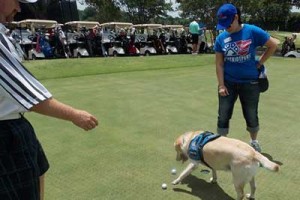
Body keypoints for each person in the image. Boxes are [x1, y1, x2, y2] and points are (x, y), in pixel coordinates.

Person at [0, 0, 99, 200]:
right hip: (5, 132)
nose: (19, 8)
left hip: (15, 123)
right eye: (17, 2)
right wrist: (74, 115)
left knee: (38, 169)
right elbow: (26, 92)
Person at [214, 3, 277, 152]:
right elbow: (219, 64)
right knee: (223, 114)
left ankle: (253, 142)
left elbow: (273, 45)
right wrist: (221, 85)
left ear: (236, 17)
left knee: (251, 113)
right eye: (222, 25)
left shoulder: (252, 31)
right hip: (228, 82)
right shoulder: (221, 38)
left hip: (250, 82)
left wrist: (260, 62)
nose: (225, 28)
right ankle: (222, 144)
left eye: (227, 24)